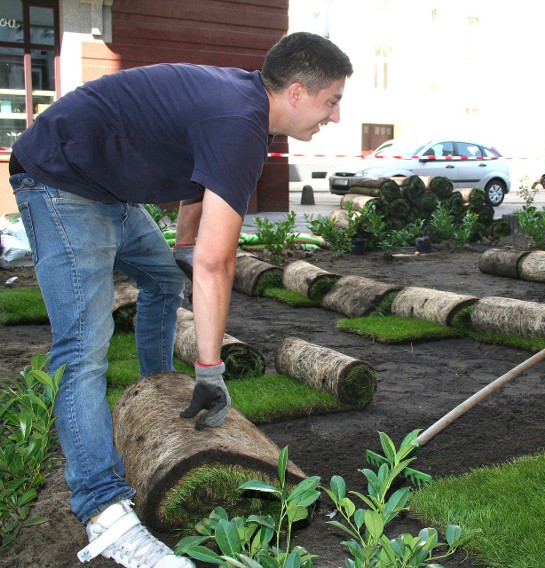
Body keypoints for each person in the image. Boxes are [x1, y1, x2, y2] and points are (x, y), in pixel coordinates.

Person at [8, 31, 352, 568]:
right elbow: (218, 264)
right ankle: (103, 514)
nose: (333, 115)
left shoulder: (246, 114)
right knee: (82, 348)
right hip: (59, 179)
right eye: (331, 100)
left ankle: (158, 388)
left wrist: (184, 245)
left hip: (107, 187)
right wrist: (211, 369)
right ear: (298, 92)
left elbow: (199, 188)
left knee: (164, 278)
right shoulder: (239, 124)